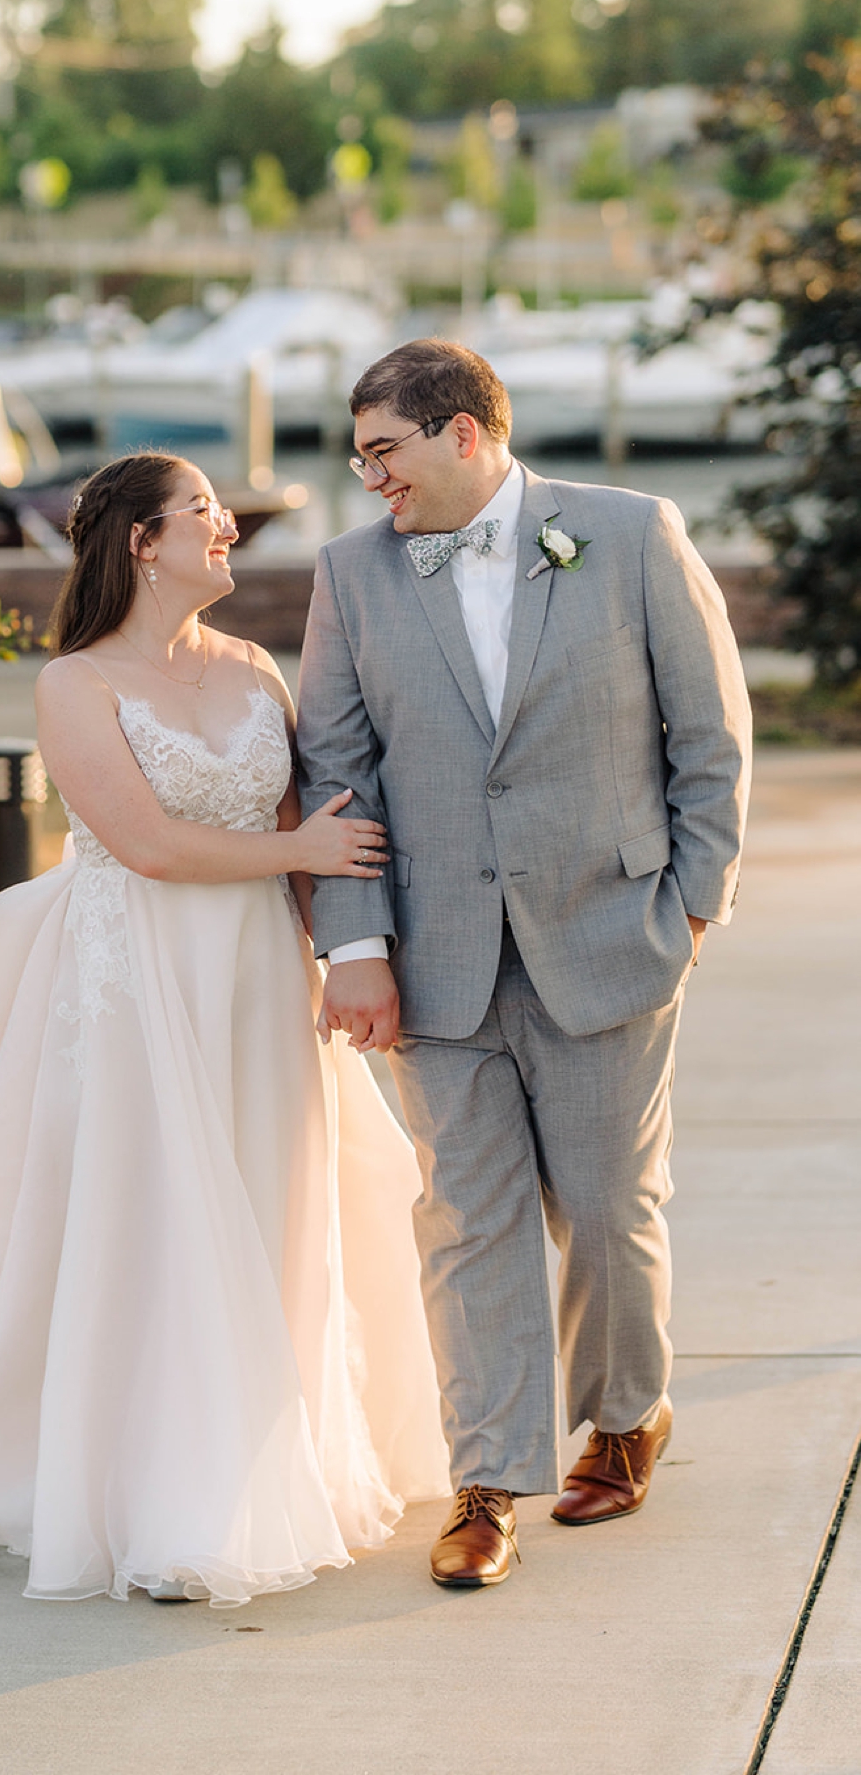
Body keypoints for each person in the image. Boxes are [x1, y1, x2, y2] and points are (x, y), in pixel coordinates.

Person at [0, 451, 448, 1607]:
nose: (225, 526)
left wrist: (349, 962)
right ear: (141, 543)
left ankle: (266, 1462)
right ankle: (167, 1500)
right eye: (201, 510)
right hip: (137, 976)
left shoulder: (255, 666)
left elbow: (315, 831)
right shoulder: (76, 684)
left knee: (270, 1202)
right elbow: (148, 843)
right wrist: (299, 852)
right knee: (154, 1216)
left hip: (256, 978)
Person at [297, 338, 751, 1589]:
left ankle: (624, 1411)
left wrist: (691, 907)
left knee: (608, 1209)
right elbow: (335, 770)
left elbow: (709, 734)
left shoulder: (631, 531)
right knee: (469, 1220)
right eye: (357, 455)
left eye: (383, 449)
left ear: (461, 432)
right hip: (434, 960)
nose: (367, 477)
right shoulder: (350, 574)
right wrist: (356, 945)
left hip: (610, 939)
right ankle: (487, 1480)